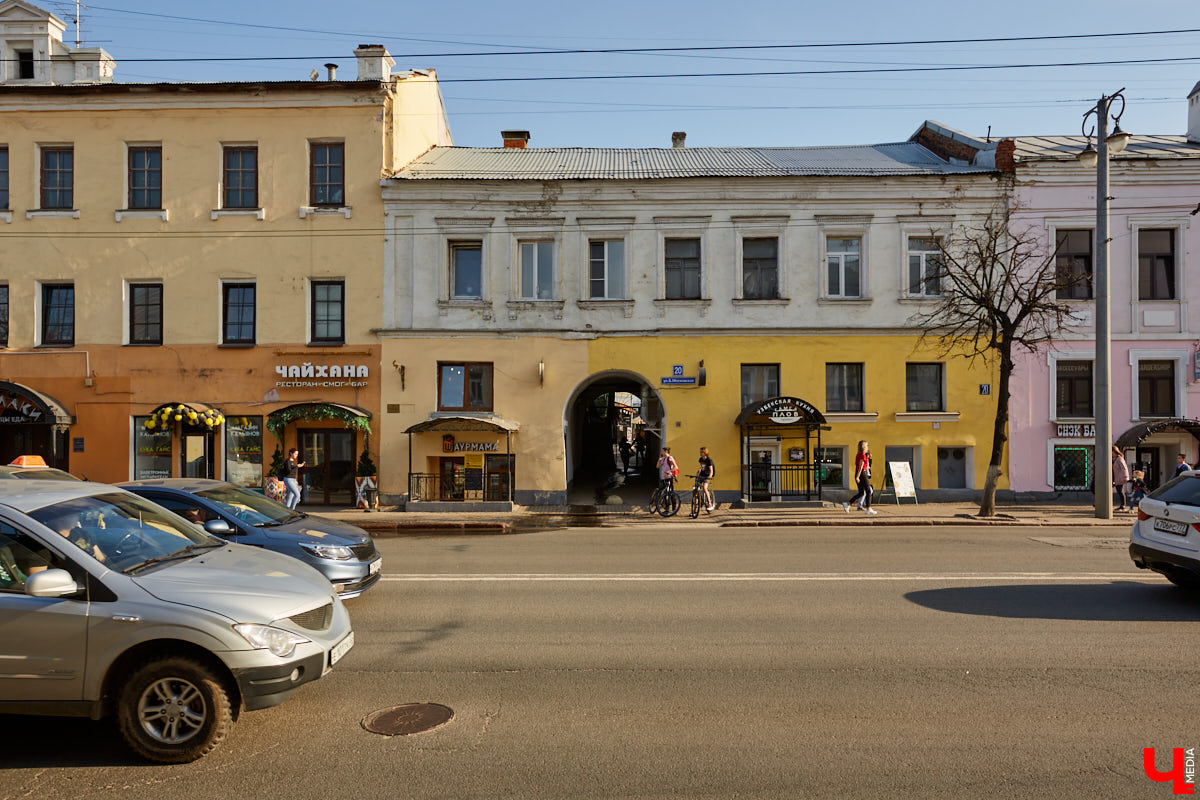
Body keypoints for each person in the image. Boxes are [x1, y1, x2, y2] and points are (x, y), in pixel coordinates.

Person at [843, 440, 877, 515]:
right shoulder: (862, 456)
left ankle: (848, 504)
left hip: (859, 473)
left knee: (861, 492)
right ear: (864, 447)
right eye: (867, 445)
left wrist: (869, 458)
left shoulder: (859, 454)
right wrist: (858, 477)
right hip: (862, 474)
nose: (868, 447)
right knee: (868, 491)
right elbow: (860, 467)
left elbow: (860, 466)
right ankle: (868, 508)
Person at [1111, 446, 1130, 511]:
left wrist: (1125, 477)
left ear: (1114, 451)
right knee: (1119, 490)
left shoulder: (1119, 459)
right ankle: (1122, 505)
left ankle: (1123, 505)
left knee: (1120, 491)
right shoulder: (1115, 459)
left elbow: (1124, 468)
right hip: (1117, 478)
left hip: (1120, 478)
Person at [697, 446, 716, 512]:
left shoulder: (709, 460)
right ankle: (696, 507)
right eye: (700, 452)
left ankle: (710, 504)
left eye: (702, 452)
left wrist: (709, 477)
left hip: (707, 475)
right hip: (702, 475)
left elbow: (711, 471)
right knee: (696, 487)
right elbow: (702, 467)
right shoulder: (700, 459)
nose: (700, 453)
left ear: (705, 453)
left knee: (704, 488)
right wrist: (698, 472)